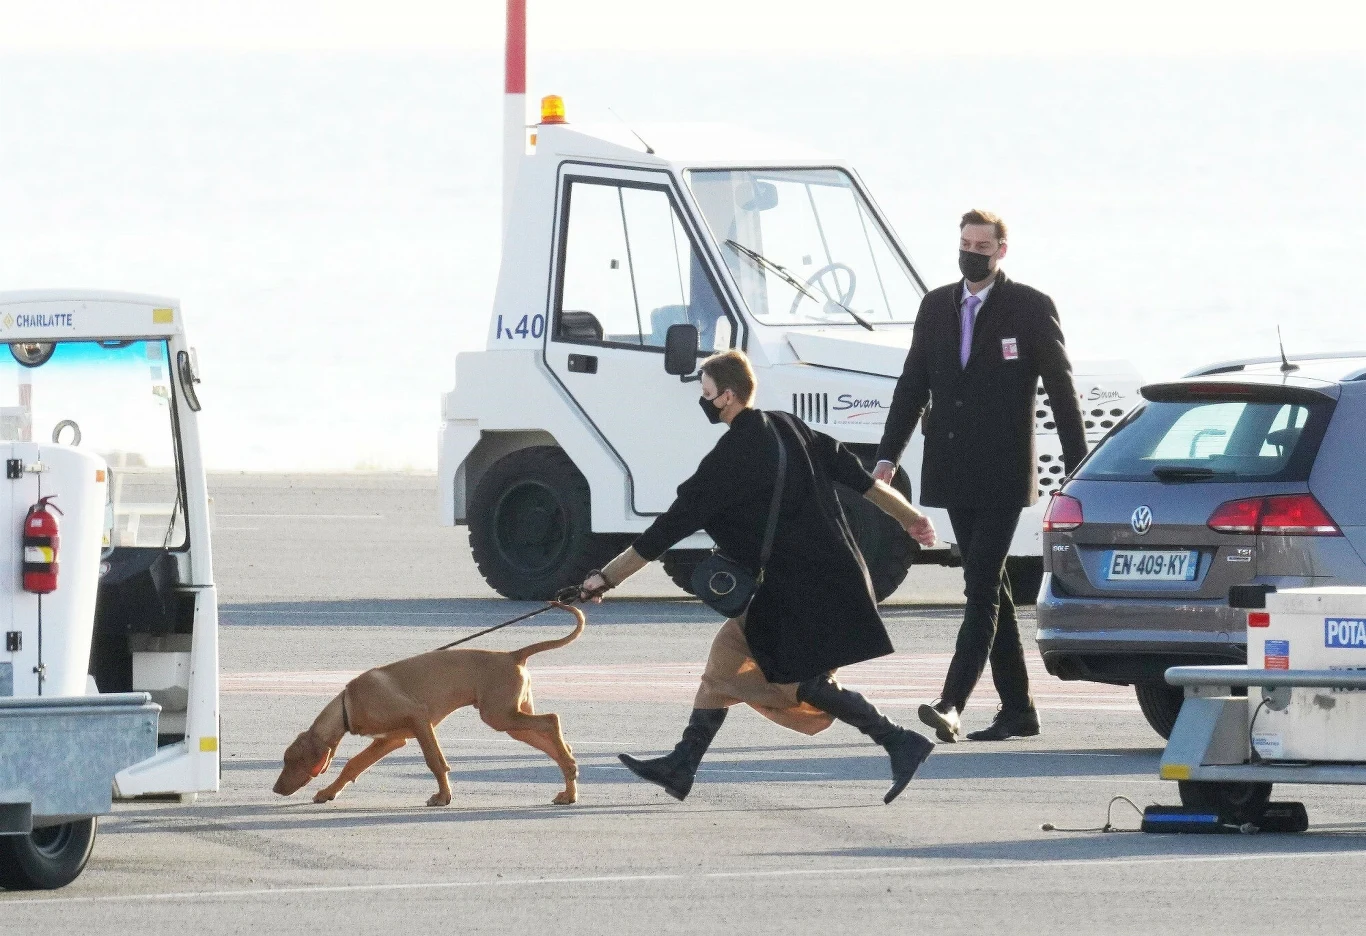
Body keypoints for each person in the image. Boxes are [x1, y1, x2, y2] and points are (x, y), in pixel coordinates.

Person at [580, 350, 938, 804]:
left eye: (706, 394)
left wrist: (604, 579)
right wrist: (911, 518)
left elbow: (664, 532)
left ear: (727, 396)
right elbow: (861, 479)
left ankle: (898, 740)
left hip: (797, 589)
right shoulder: (790, 425)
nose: (703, 401)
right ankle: (681, 765)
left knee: (798, 681)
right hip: (834, 574)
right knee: (725, 659)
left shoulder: (729, 459)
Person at [872, 209, 1087, 743]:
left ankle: (951, 702)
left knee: (981, 587)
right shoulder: (936, 305)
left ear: (1001, 251)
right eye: (965, 243)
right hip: (951, 465)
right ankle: (1018, 709)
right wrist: (887, 456)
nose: (972, 252)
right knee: (987, 585)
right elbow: (912, 383)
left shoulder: (1030, 308)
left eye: (982, 246)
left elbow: (1061, 389)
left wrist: (1079, 465)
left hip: (1003, 470)